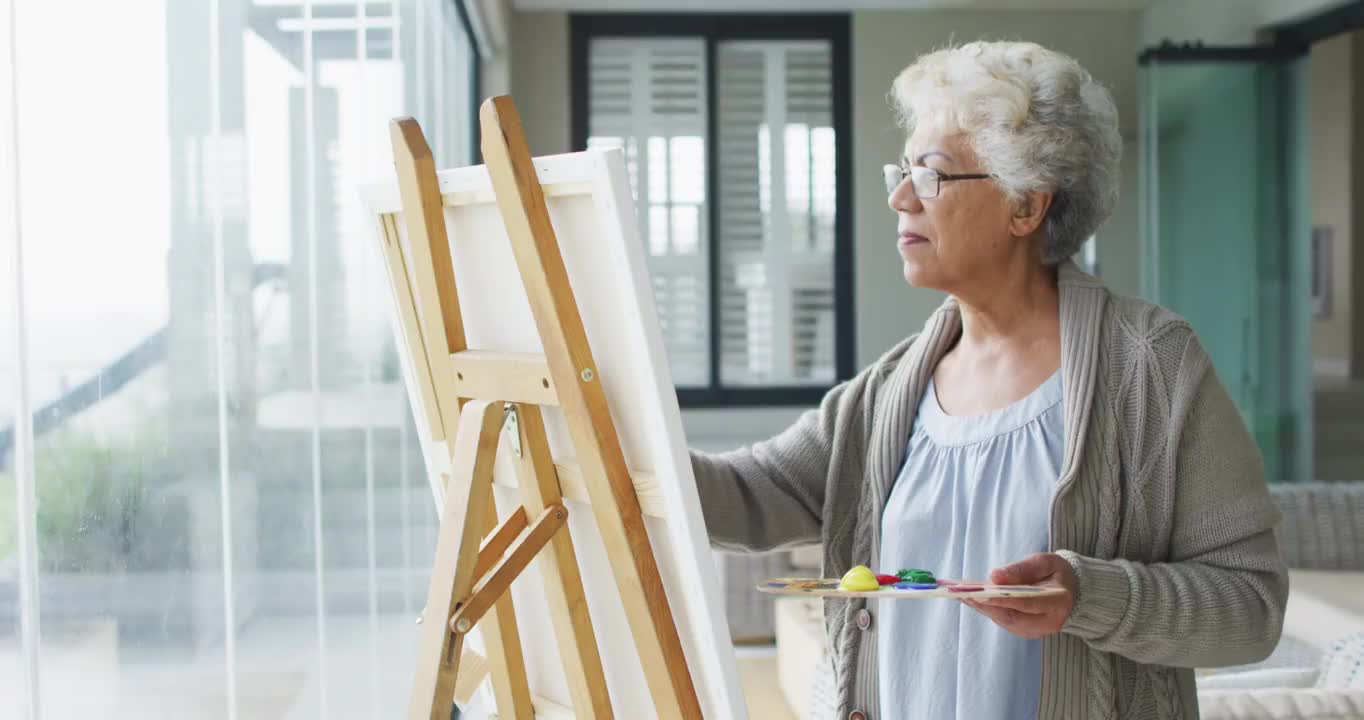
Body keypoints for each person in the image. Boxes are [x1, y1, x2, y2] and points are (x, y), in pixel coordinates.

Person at [690, 41, 1287, 720]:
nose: (899, 197)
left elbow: (1251, 607)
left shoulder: (1153, 366)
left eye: (933, 175)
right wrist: (600, 424)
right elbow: (738, 496)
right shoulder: (887, 394)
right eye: (902, 169)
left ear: (1026, 206)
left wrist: (1088, 597)